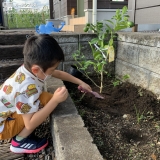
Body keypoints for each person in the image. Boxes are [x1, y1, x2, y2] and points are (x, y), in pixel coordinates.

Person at [0, 34, 92, 154]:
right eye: (52, 69)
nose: (54, 71)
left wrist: (81, 82)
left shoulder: (28, 69)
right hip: (3, 127)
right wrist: (55, 100)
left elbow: (58, 74)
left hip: (6, 112)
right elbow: (30, 123)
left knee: (45, 99)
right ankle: (19, 142)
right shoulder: (26, 88)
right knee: (46, 103)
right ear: (36, 70)